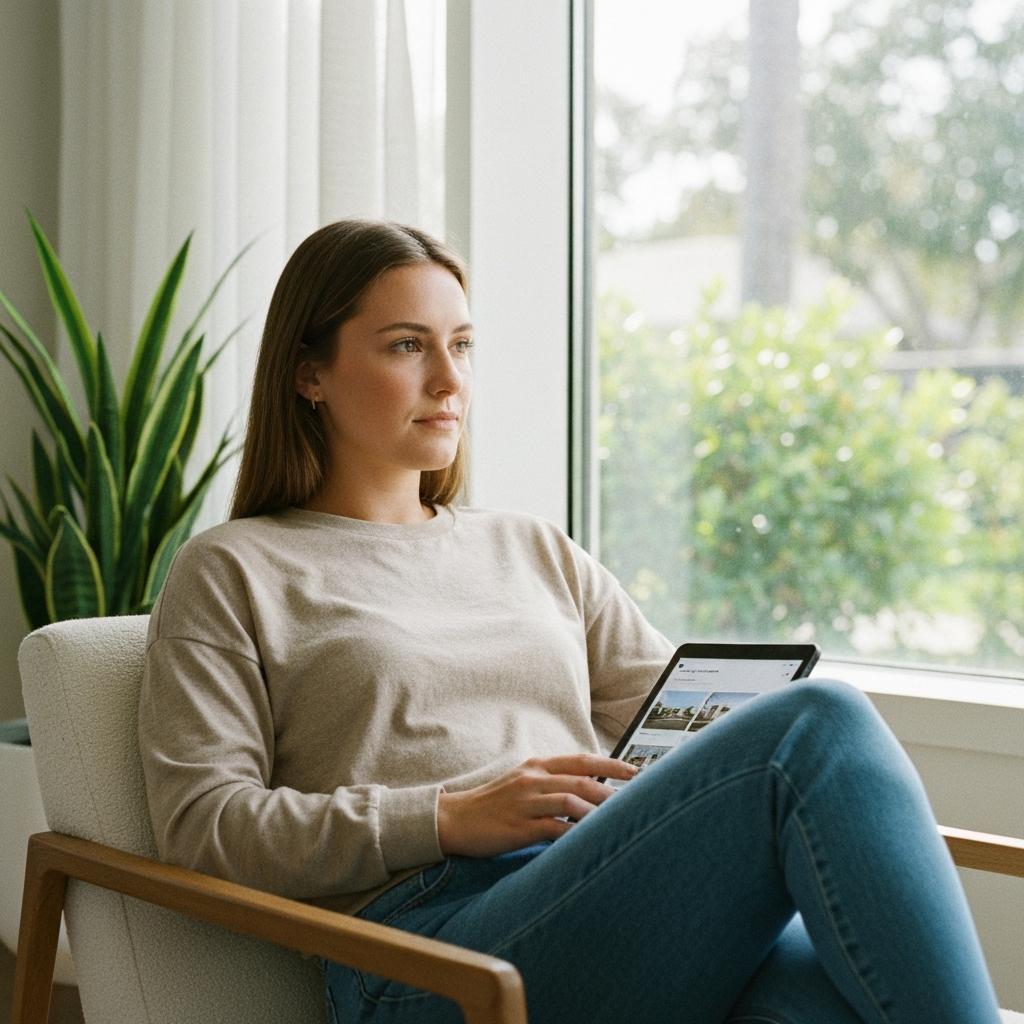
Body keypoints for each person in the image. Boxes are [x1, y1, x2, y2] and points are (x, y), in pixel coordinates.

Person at [138, 219, 1003, 1024]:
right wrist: (446, 816)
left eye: (462, 345)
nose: (450, 380)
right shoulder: (234, 568)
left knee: (834, 994)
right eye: (407, 345)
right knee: (817, 724)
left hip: (590, 891)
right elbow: (204, 826)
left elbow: (676, 726)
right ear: (309, 373)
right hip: (421, 951)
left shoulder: (532, 548)